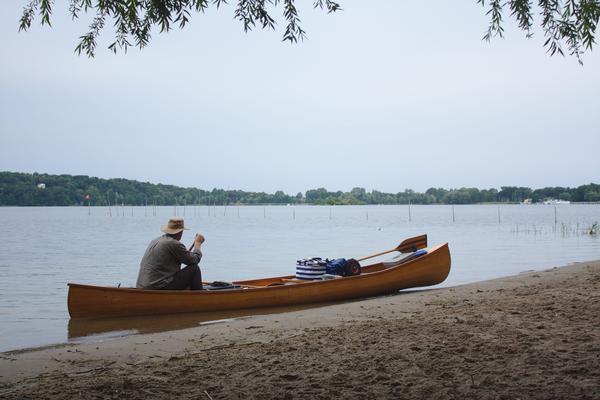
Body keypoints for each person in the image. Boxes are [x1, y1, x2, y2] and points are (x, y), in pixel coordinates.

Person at [136, 217, 205, 290]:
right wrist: (198, 244)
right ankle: (199, 298)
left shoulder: (155, 240)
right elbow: (194, 260)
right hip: (158, 287)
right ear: (180, 232)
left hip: (142, 286)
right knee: (194, 269)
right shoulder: (174, 244)